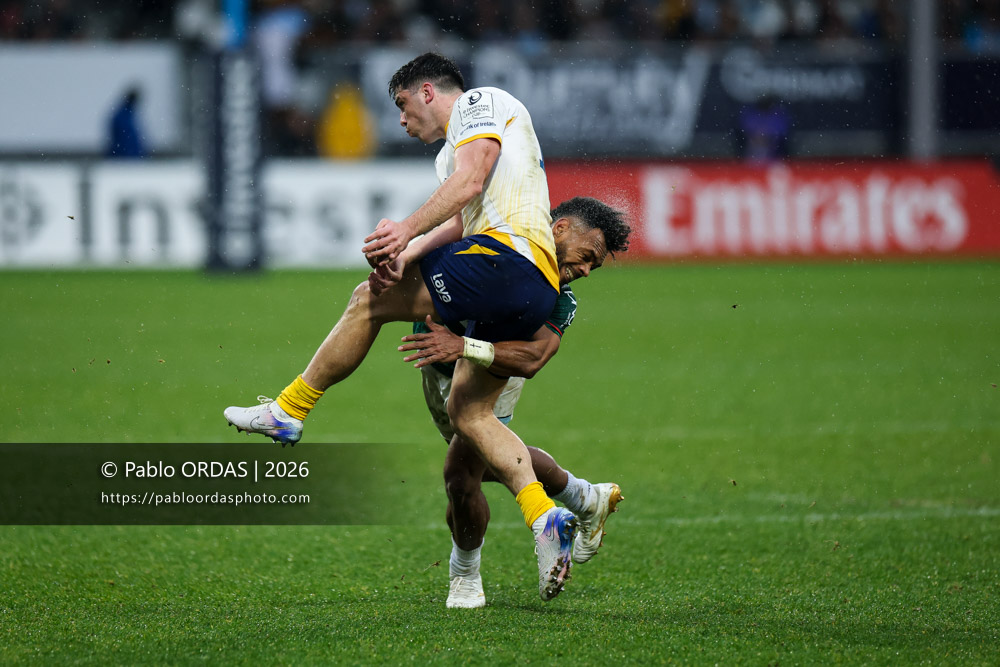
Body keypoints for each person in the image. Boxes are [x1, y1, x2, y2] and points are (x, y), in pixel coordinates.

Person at [225, 53, 593, 601]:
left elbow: (471, 182)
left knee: (367, 301)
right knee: (470, 415)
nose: (400, 119)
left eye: (401, 104)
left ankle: (290, 409)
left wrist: (402, 230)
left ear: (427, 91)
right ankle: (545, 516)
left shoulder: (479, 102)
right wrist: (410, 250)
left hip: (505, 261)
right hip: (533, 291)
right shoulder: (450, 154)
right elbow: (460, 216)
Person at [399, 196, 631, 608]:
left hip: (489, 372)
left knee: (460, 476)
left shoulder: (558, 298)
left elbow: (533, 358)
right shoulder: (498, 235)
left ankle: (465, 576)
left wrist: (464, 346)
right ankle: (583, 496)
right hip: (436, 365)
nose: (584, 271)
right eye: (585, 257)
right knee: (492, 462)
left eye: (592, 267)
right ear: (560, 229)